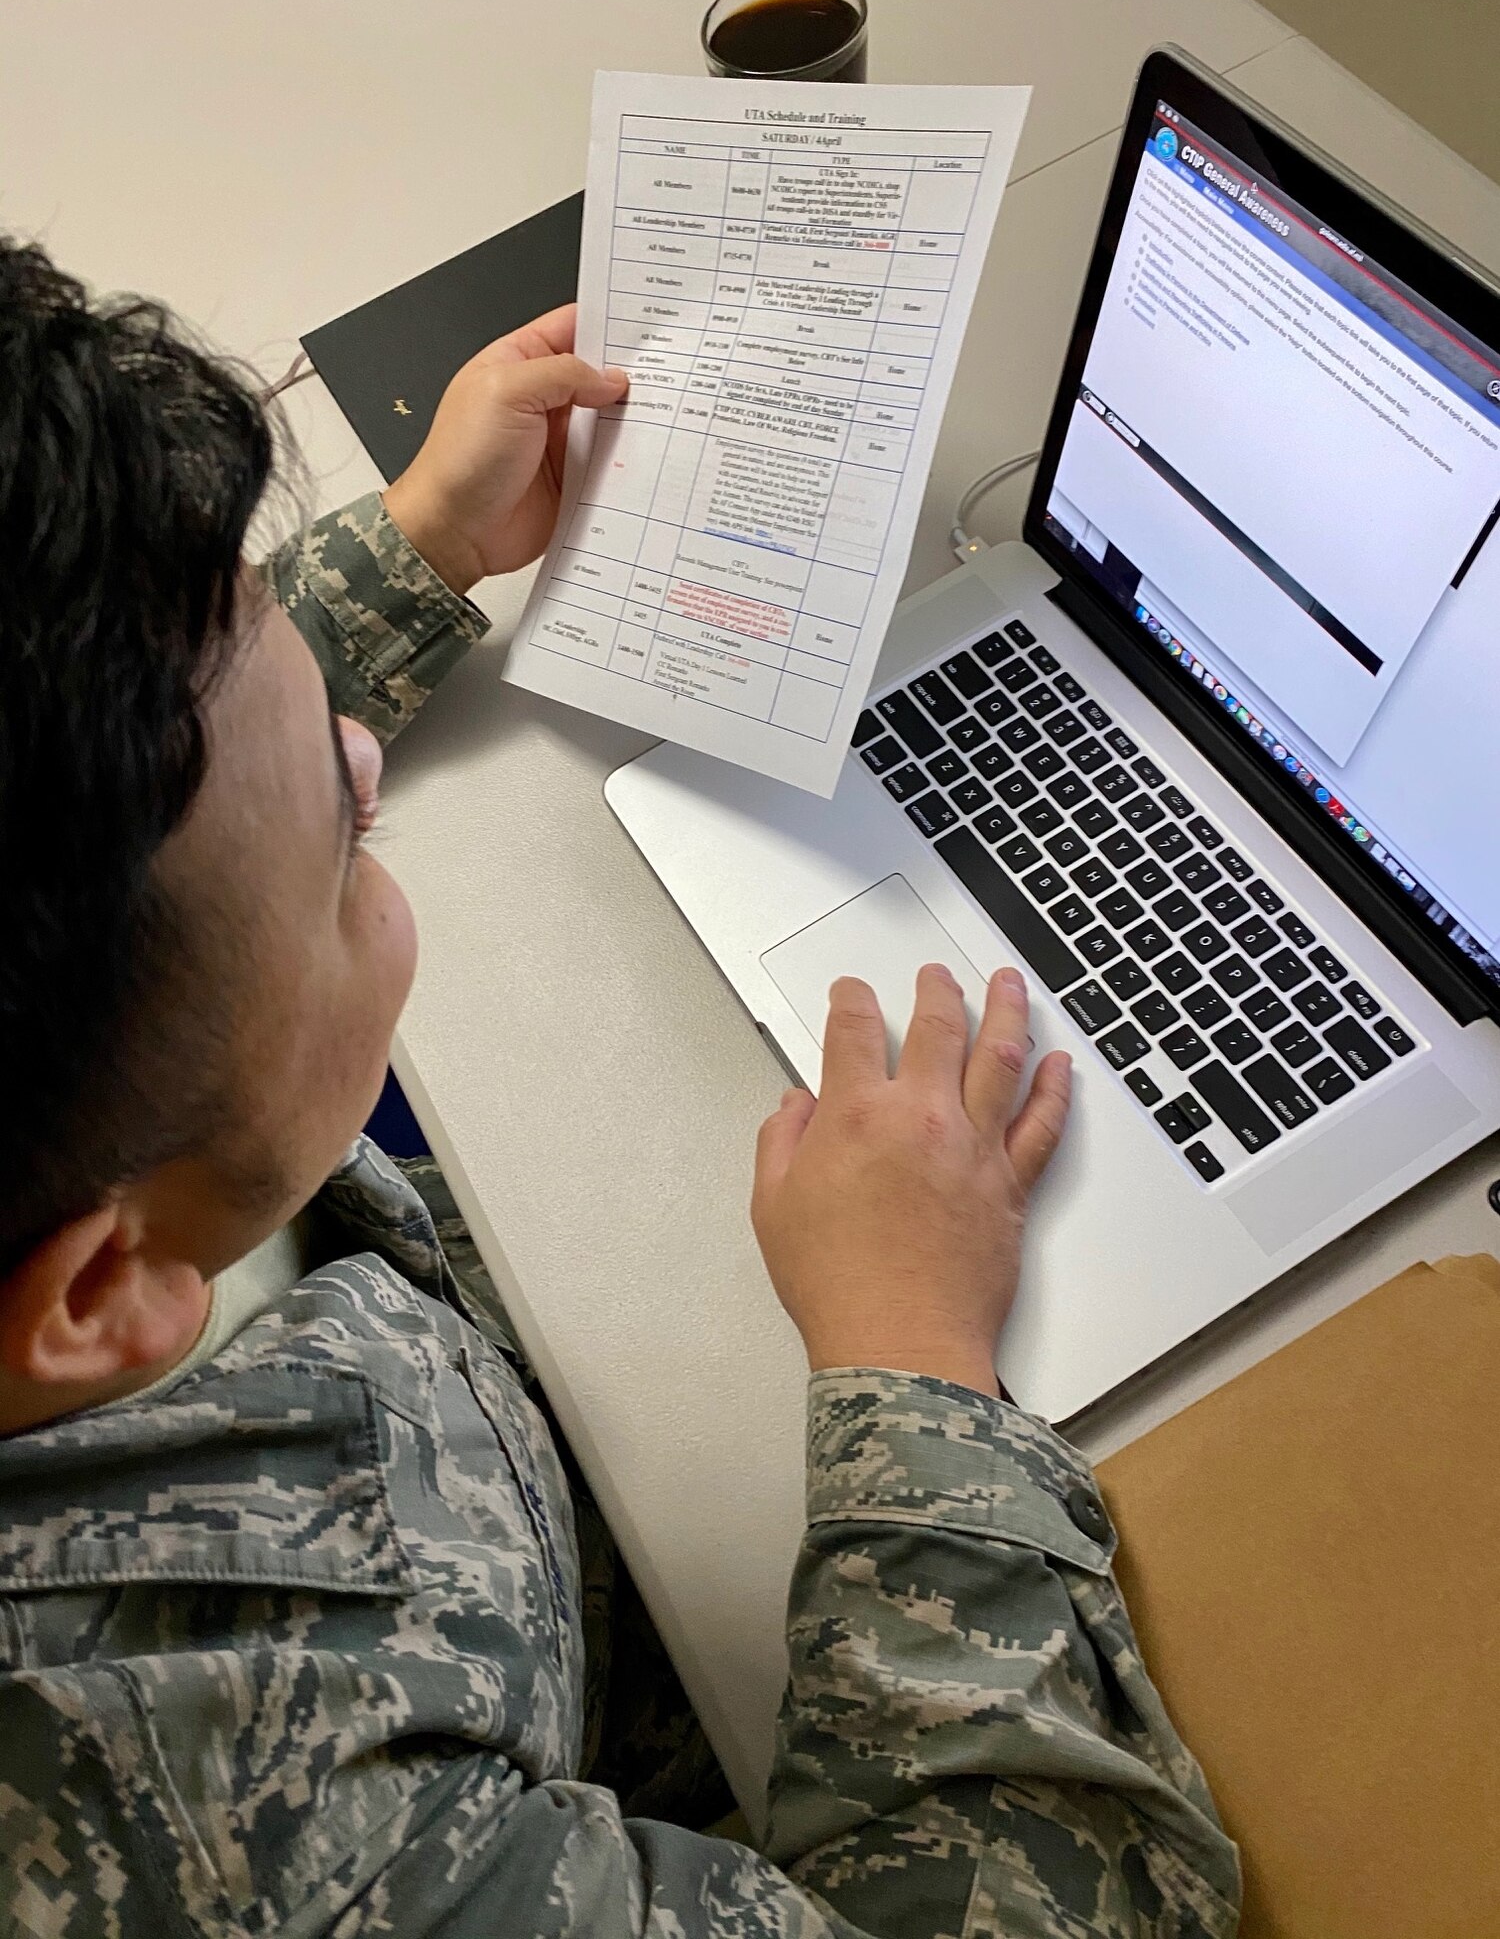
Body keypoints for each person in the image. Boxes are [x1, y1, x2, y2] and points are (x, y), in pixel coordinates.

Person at [0, 235, 1240, 1939]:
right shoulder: (293, 1844)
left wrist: (419, 549)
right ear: (101, 1290)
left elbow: (109, 794)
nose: (362, 751)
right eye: (343, 841)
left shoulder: (62, 1181)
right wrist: (909, 1355)